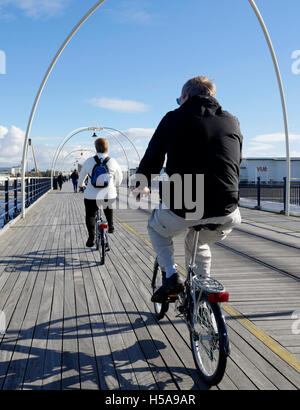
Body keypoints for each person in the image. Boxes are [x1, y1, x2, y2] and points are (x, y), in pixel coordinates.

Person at [133, 76, 243, 302]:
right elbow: (235, 161)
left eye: (178, 99)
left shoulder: (173, 118)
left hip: (185, 204)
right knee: (199, 238)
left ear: (186, 97)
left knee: (157, 228)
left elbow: (153, 157)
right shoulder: (232, 120)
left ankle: (172, 277)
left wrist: (141, 184)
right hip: (228, 208)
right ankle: (203, 287)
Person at [78, 137, 123, 247]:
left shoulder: (89, 161)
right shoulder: (113, 161)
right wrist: (114, 185)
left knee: (90, 214)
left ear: (95, 148)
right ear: (107, 148)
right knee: (108, 206)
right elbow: (119, 178)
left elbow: (81, 179)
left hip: (91, 195)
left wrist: (82, 185)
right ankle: (111, 226)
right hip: (108, 194)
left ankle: (91, 237)